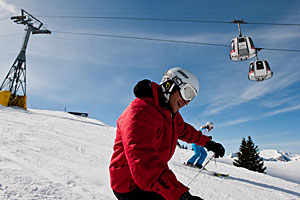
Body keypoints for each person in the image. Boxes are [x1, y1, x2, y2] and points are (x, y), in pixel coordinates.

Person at [109, 67, 225, 200]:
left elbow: (186, 131)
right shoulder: (139, 114)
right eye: (187, 93)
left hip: (150, 179)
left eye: (191, 98)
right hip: (130, 184)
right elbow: (144, 162)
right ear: (169, 85)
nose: (187, 102)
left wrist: (209, 143)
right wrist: (182, 196)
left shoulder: (169, 113)